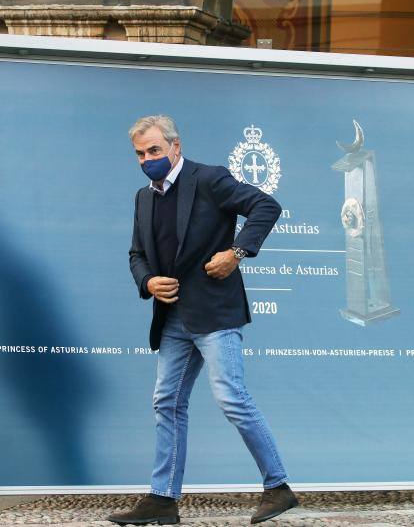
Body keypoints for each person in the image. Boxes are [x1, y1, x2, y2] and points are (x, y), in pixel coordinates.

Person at [108, 116, 298, 526]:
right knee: (167, 402)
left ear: (175, 147)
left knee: (231, 397)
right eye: (140, 154)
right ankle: (163, 500)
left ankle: (278, 487)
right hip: (173, 316)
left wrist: (237, 253)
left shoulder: (209, 179)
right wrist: (148, 281)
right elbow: (136, 254)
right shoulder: (143, 197)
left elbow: (266, 206)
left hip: (213, 312)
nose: (147, 159)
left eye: (154, 150)